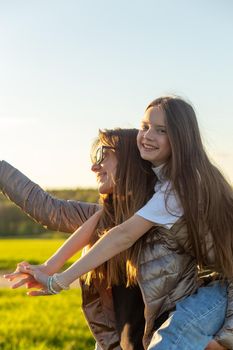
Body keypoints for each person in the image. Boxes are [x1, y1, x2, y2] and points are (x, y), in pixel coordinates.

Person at [5, 97, 233, 349]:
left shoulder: (175, 195)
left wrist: (223, 339)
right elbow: (54, 210)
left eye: (103, 153)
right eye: (144, 127)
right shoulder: (127, 212)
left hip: (210, 298)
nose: (94, 165)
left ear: (129, 161)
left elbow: (122, 234)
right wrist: (50, 267)